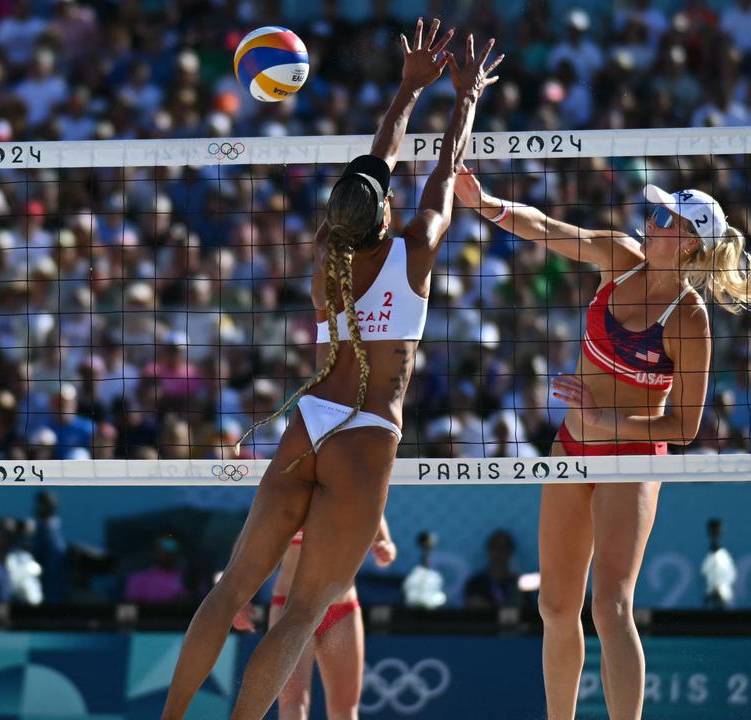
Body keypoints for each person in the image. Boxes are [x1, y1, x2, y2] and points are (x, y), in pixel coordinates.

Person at [159, 19, 501, 720]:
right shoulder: (411, 251)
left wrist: (406, 92)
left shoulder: (327, 255)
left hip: (311, 420)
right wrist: (462, 97)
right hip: (367, 433)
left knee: (230, 595)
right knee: (302, 612)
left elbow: (378, 166)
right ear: (384, 216)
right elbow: (441, 170)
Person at [455, 173, 751, 719]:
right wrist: (486, 205)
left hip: (630, 461)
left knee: (610, 607)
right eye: (653, 215)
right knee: (555, 607)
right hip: (570, 450)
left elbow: (683, 428)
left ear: (688, 243)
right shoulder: (618, 256)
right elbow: (546, 228)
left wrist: (605, 417)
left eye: (662, 219)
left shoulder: (688, 319)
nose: (647, 222)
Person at [269, 518, 395, 720]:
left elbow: (385, 548)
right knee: (293, 703)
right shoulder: (291, 490)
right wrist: (238, 597)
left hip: (341, 609)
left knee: (345, 709)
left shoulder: (359, 493)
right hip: (292, 609)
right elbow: (248, 549)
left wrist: (385, 550)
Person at [464, 529, 523, 610]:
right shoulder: (475, 584)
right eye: (495, 547)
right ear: (488, 551)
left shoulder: (520, 584)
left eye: (504, 548)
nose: (500, 553)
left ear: (511, 552)